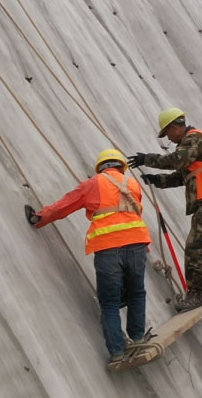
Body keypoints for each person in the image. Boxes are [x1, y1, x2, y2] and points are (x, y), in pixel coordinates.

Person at [26, 149, 154, 370]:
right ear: (121, 166)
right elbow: (135, 212)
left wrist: (40, 217)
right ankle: (138, 340)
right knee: (137, 292)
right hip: (137, 244)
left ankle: (117, 353)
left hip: (108, 248)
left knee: (110, 302)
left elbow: (65, 206)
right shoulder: (132, 184)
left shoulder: (93, 184)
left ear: (101, 167)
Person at [128, 108, 202, 312]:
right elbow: (181, 176)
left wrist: (147, 159)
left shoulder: (194, 139)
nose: (169, 138)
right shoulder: (192, 146)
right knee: (198, 247)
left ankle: (196, 294)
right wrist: (157, 180)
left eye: (167, 133)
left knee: (196, 248)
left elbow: (176, 161)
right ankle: (199, 289)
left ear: (175, 127)